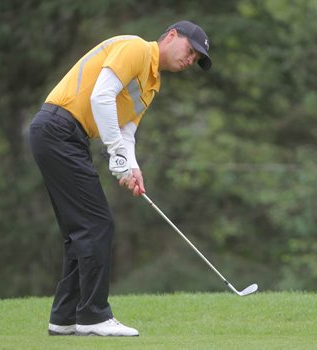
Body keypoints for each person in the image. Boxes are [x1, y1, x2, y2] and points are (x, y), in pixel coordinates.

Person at [28, 20, 211, 337]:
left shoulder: (152, 84)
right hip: (58, 129)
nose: (191, 59)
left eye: (196, 58)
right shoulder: (137, 48)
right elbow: (101, 96)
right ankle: (94, 316)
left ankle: (65, 317)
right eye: (190, 50)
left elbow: (127, 130)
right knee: (97, 224)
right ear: (171, 36)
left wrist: (132, 165)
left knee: (82, 229)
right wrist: (116, 154)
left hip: (67, 137)